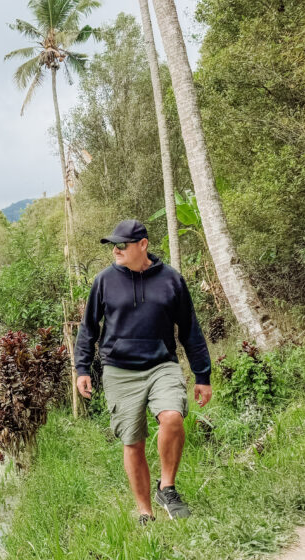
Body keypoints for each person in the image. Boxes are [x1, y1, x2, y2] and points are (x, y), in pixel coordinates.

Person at [75, 219, 212, 524]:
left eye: (122, 245)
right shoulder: (104, 281)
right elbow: (88, 328)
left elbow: (190, 329)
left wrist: (202, 375)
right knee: (133, 441)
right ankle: (145, 512)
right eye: (113, 246)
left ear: (143, 245)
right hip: (119, 371)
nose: (116, 251)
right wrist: (82, 367)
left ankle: (167, 486)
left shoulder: (171, 280)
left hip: (161, 364)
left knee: (173, 417)